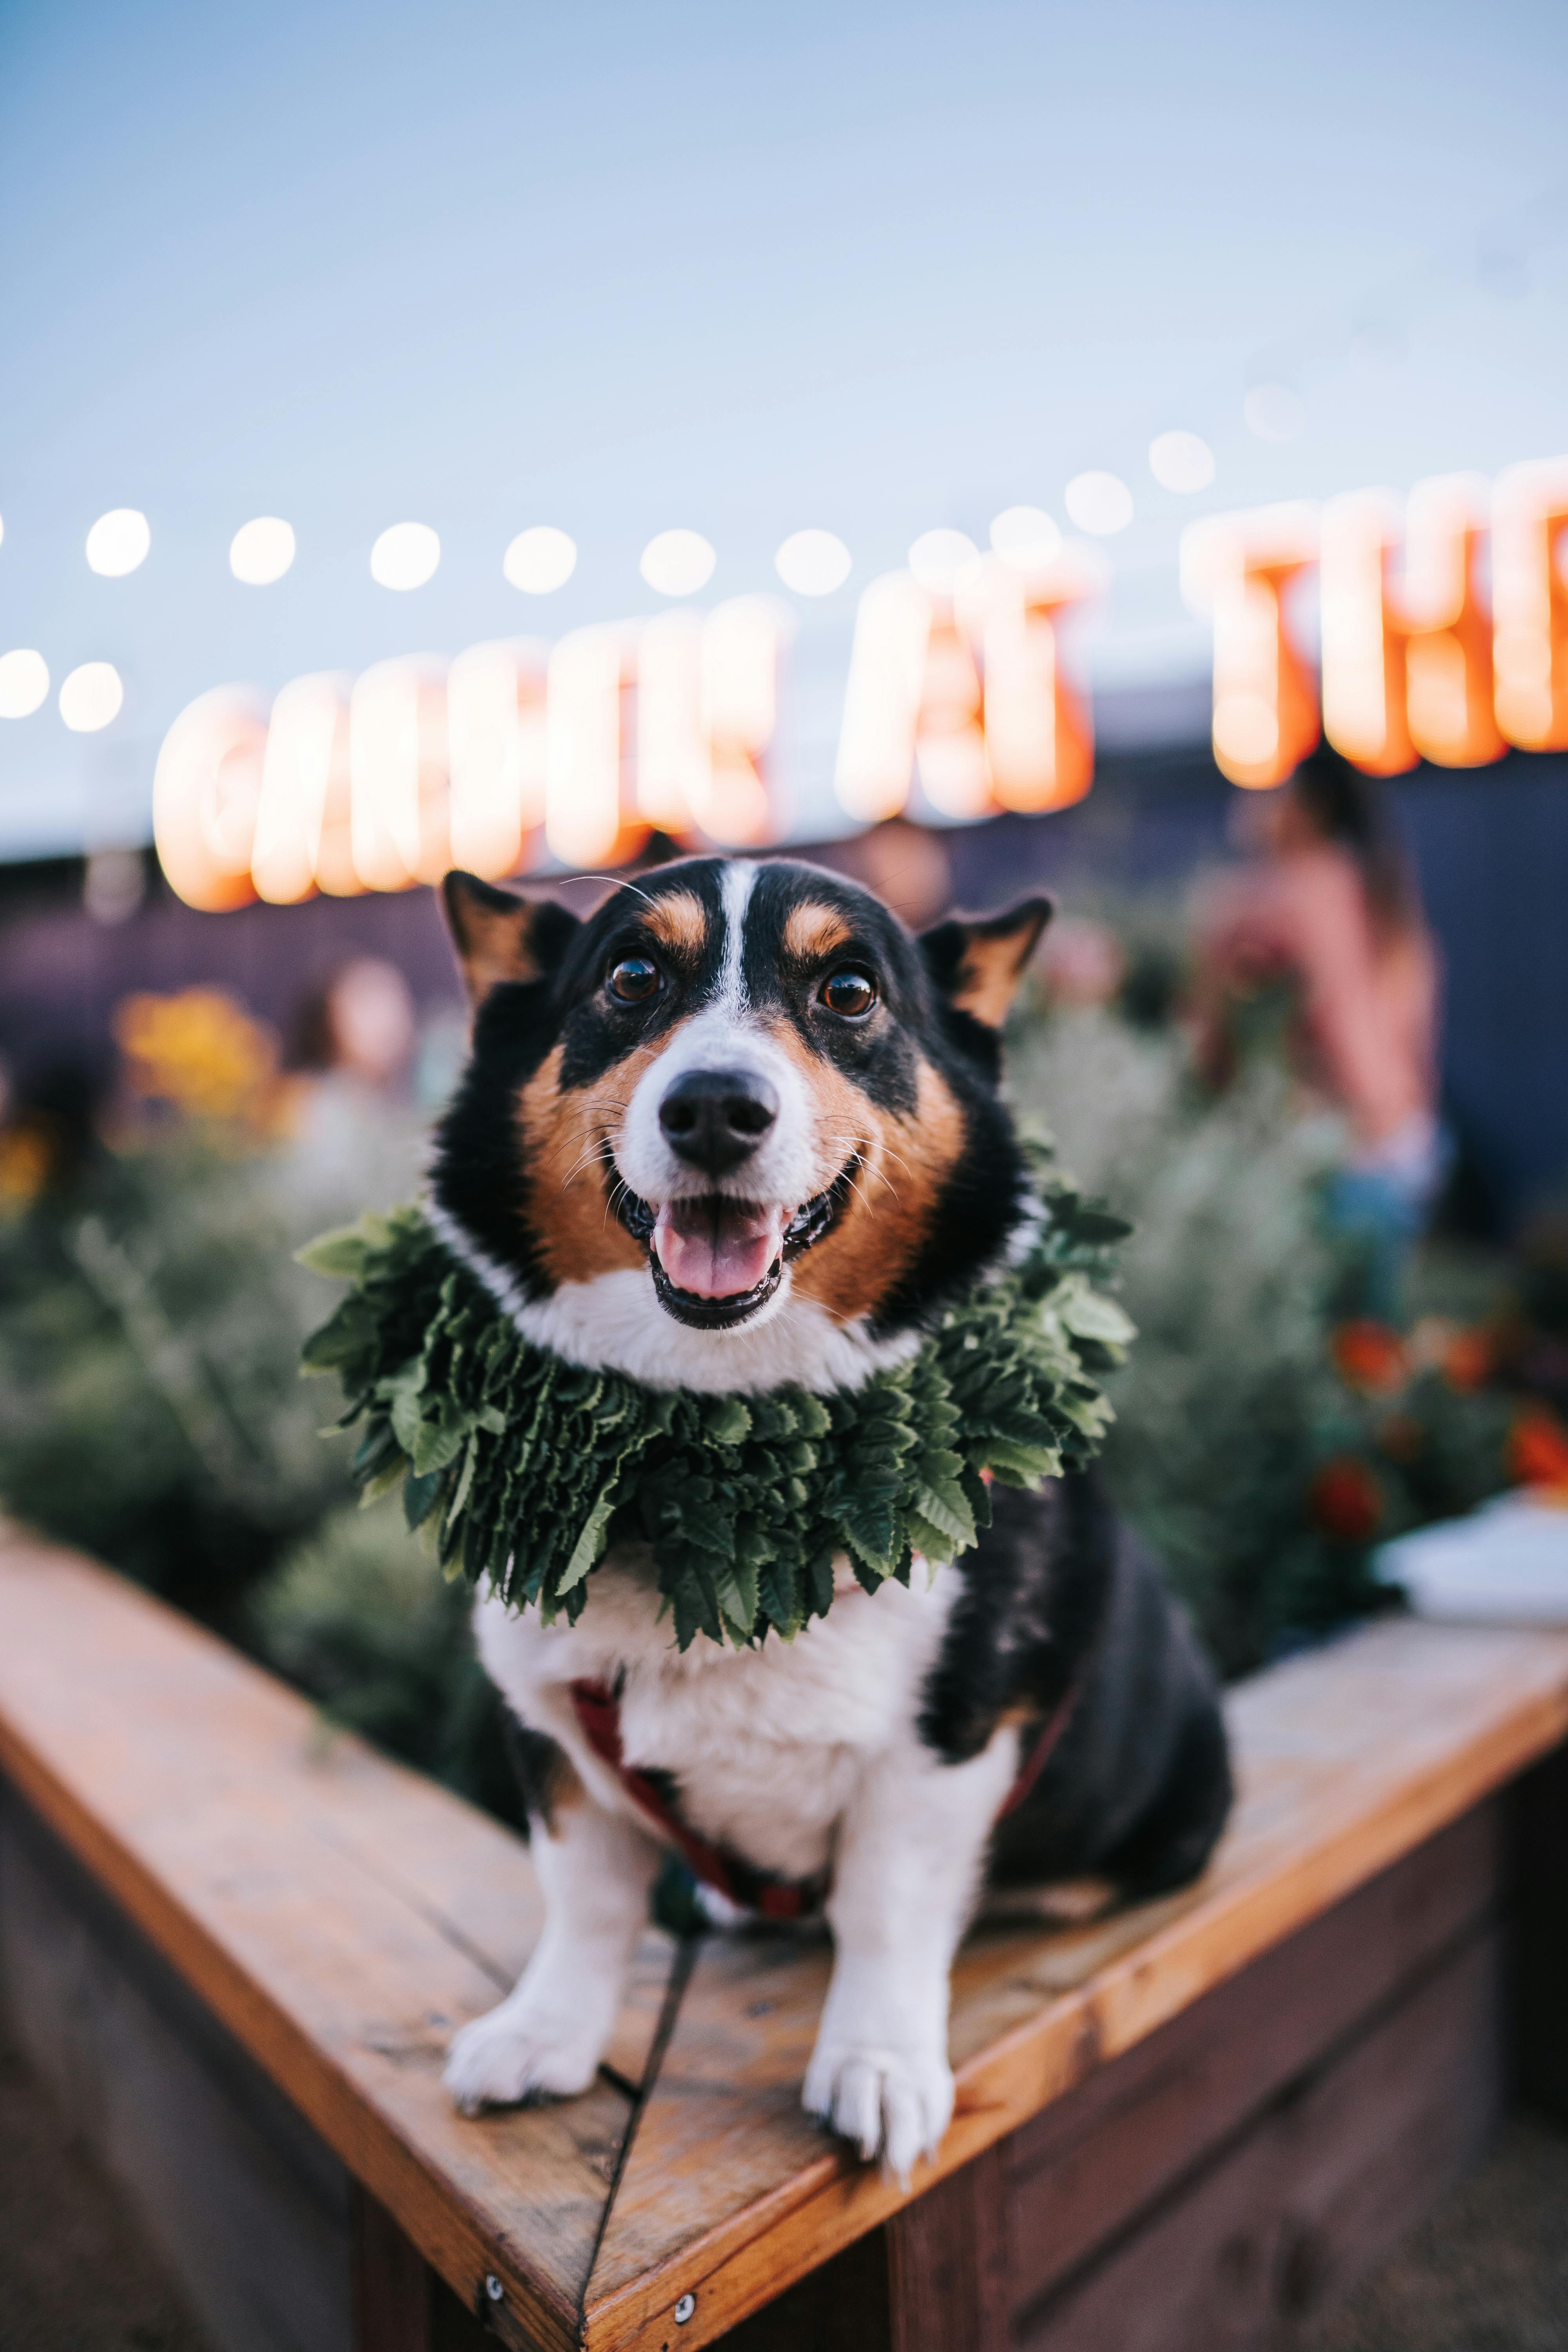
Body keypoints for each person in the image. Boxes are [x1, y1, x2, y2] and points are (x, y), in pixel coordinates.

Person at [1194, 744, 1443, 1318]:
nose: (1252, 806)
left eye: (1270, 791)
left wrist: (1371, 1116)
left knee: (1340, 1344)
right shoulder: (1379, 889)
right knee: (1377, 1339)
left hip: (1353, 1147)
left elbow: (1341, 1012)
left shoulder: (1308, 886)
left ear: (1306, 809)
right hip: (1408, 1134)